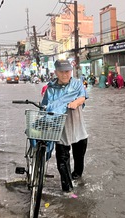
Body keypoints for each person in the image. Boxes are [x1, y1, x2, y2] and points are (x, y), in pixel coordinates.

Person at [42, 59, 89, 195]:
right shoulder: (50, 89)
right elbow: (44, 106)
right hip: (61, 129)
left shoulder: (77, 83)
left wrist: (75, 102)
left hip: (78, 128)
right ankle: (67, 190)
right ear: (56, 72)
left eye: (67, 71)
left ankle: (77, 177)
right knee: (62, 161)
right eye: (62, 72)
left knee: (79, 159)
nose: (65, 74)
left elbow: (83, 96)